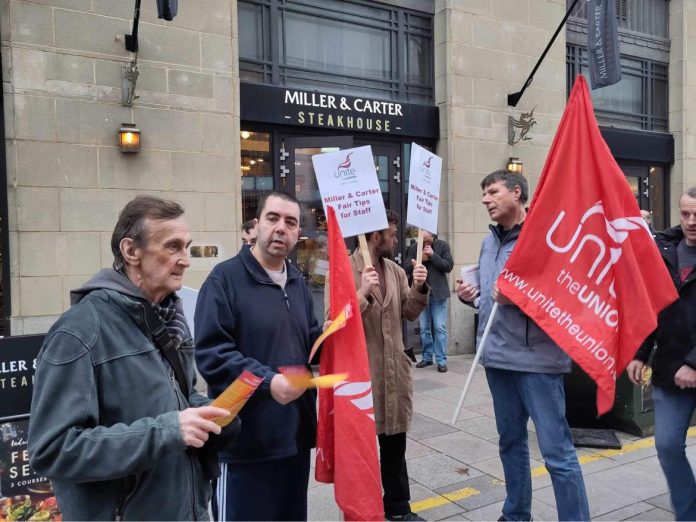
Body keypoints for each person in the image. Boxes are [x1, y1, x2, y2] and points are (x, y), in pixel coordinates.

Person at [28, 195, 236, 521]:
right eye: (172, 247)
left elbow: (174, 402)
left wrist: (212, 416)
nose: (185, 260)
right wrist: (166, 431)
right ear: (131, 251)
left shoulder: (171, 320)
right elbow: (52, 450)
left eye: (187, 247)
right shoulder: (79, 332)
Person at [456, 170, 590, 522]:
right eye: (483, 193)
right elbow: (493, 297)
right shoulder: (489, 242)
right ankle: (516, 514)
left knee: (557, 452)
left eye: (493, 191)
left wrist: (519, 299)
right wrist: (471, 296)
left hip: (538, 362)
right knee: (510, 444)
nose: (485, 199)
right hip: (497, 359)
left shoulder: (546, 238)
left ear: (517, 193)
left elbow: (565, 298)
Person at [195, 191, 322, 521]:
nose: (281, 228)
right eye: (273, 218)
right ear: (257, 224)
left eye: (290, 222)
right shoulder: (224, 280)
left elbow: (310, 342)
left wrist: (340, 337)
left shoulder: (297, 282)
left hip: (293, 439)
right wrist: (269, 382)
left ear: (297, 234)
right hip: (245, 445)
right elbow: (212, 355)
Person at [328, 210, 428, 521]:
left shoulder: (396, 271)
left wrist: (419, 287)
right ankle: (363, 511)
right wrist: (362, 293)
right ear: (376, 237)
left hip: (393, 373)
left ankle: (399, 509)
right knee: (360, 449)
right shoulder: (343, 269)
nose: (396, 241)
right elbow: (332, 322)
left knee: (395, 445)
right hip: (362, 375)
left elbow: (408, 313)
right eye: (392, 235)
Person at [626, 187, 696, 521]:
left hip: (690, 365)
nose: (691, 221)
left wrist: (694, 363)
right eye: (685, 214)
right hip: (670, 371)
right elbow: (653, 306)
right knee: (667, 446)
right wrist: (640, 352)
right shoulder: (665, 250)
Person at [404, 231, 454, 372]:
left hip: (438, 293)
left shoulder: (443, 246)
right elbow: (406, 267)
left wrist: (433, 256)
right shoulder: (414, 248)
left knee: (439, 327)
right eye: (423, 240)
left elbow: (448, 266)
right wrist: (419, 261)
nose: (425, 243)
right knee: (425, 328)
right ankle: (426, 357)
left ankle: (441, 360)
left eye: (427, 240)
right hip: (421, 294)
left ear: (432, 237)